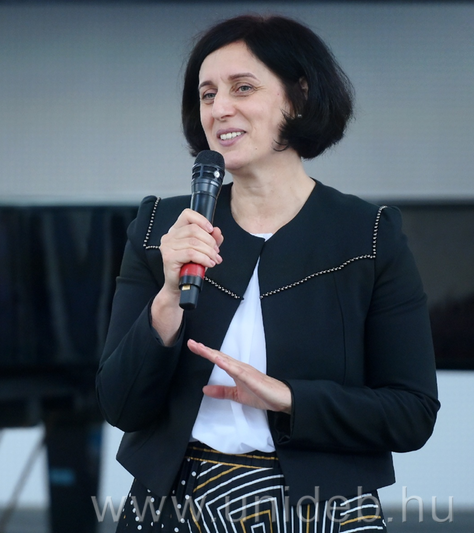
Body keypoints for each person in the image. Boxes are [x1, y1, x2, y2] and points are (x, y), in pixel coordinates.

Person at [96, 14, 440, 533]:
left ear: (298, 98)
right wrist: (166, 297)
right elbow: (119, 405)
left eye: (243, 87)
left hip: (323, 509)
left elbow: (411, 413)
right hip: (177, 506)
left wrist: (289, 398)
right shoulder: (161, 227)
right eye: (207, 94)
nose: (219, 108)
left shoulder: (368, 235)